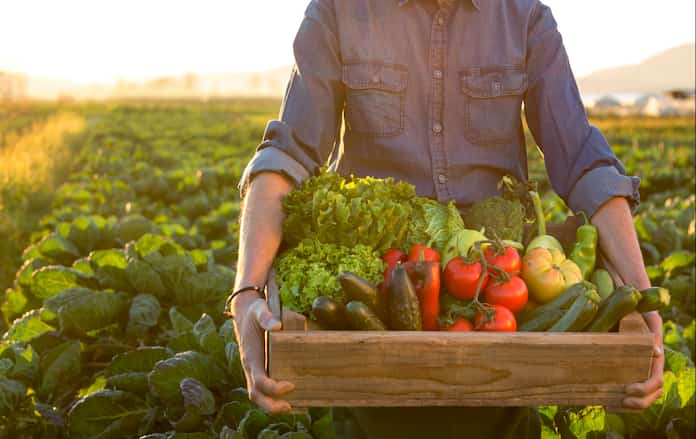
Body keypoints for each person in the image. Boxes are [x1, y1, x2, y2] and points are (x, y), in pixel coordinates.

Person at [228, 0, 665, 437]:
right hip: (374, 318)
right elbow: (287, 153)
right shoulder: (339, 10)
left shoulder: (524, 16)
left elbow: (584, 162)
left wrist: (642, 301)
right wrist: (246, 292)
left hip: (496, 302)